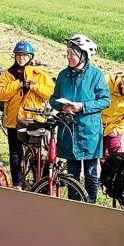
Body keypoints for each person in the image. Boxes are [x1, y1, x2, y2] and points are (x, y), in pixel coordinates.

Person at [50, 34, 111, 203]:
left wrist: (82, 106)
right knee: (72, 174)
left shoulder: (96, 75)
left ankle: (91, 205)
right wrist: (62, 106)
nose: (68, 56)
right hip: (69, 131)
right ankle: (73, 205)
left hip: (89, 132)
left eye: (72, 53)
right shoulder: (63, 75)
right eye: (67, 52)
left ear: (84, 55)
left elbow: (105, 100)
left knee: (91, 173)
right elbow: (53, 98)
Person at [0, 40, 55, 188]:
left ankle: (40, 183)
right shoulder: (8, 74)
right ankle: (17, 184)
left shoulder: (39, 74)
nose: (21, 58)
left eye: (25, 55)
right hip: (14, 121)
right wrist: (18, 83)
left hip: (33, 120)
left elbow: (50, 93)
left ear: (30, 57)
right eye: (18, 55)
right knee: (15, 154)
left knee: (37, 153)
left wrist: (34, 86)